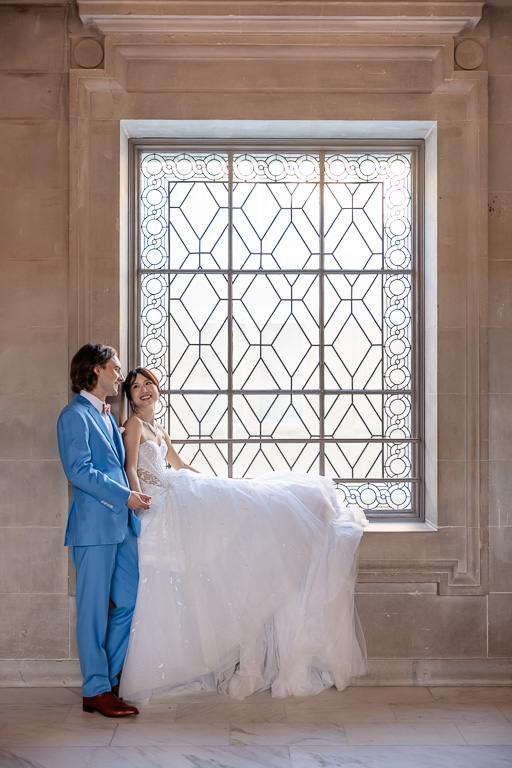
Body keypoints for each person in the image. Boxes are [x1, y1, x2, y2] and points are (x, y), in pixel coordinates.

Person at [120, 367, 368, 702]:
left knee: (242, 500)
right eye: (135, 387)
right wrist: (139, 499)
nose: (143, 390)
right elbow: (131, 467)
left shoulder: (158, 428)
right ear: (130, 396)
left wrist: (217, 483)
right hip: (159, 500)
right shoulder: (134, 425)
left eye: (148, 383)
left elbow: (179, 465)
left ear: (158, 389)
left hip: (178, 488)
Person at [57, 344, 152, 718]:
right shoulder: (73, 415)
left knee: (128, 603)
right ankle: (96, 690)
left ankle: (108, 680)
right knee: (94, 611)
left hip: (122, 527)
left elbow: (116, 462)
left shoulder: (107, 416)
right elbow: (79, 471)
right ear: (95, 370)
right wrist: (125, 496)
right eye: (114, 368)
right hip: (95, 527)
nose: (119, 375)